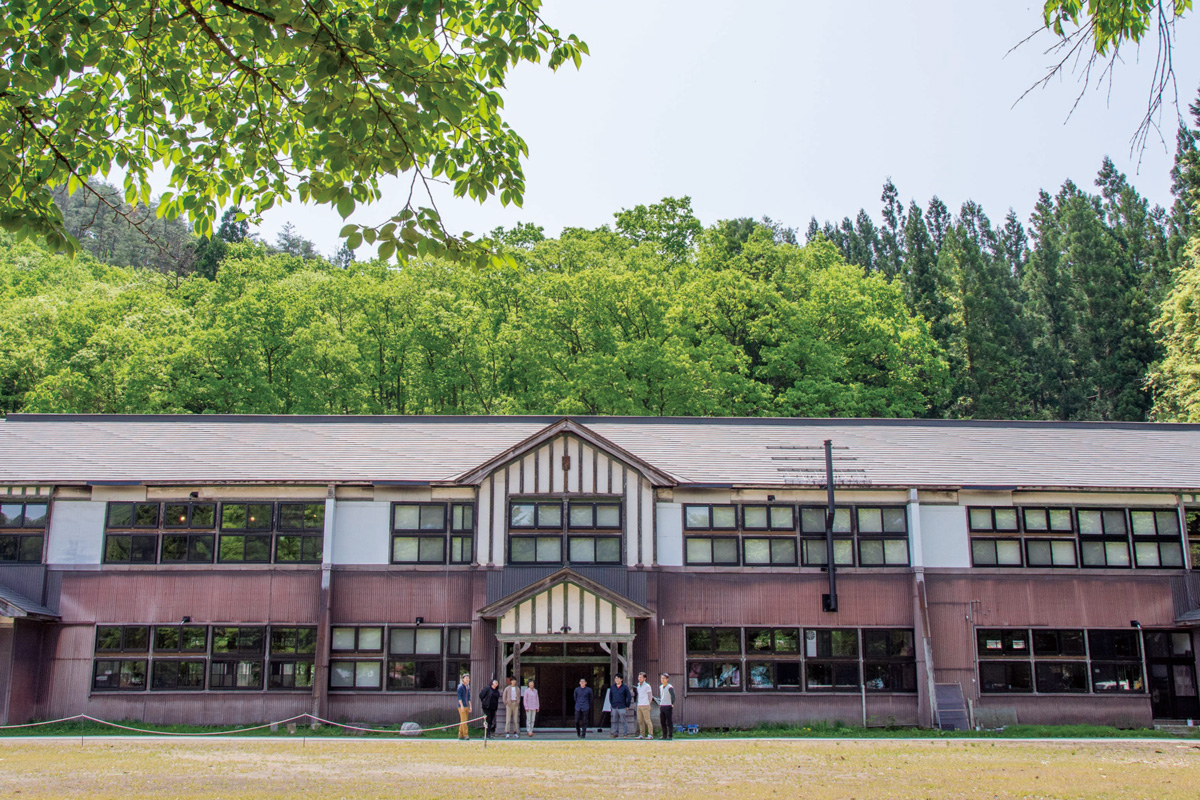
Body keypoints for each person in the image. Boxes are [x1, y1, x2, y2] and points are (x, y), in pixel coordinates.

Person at [654, 673, 676, 740]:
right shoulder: (660, 687)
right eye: (661, 678)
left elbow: (673, 696)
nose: (662, 680)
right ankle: (664, 735)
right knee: (662, 721)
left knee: (669, 721)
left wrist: (672, 703)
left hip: (668, 705)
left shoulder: (670, 687)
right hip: (662, 705)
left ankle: (670, 735)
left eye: (664, 678)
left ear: (667, 679)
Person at [634, 672, 654, 739]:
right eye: (639, 677)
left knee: (647, 720)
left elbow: (650, 696)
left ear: (644, 678)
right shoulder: (638, 686)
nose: (639, 678)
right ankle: (642, 734)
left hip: (645, 705)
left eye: (641, 677)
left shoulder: (647, 686)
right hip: (639, 705)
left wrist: (649, 704)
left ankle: (650, 734)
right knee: (640, 720)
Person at [456, 673, 472, 740]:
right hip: (461, 706)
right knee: (464, 721)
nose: (468, 679)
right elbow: (459, 697)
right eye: (466, 678)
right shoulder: (460, 687)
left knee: (463, 720)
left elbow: (468, 698)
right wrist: (461, 705)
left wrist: (470, 706)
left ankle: (460, 734)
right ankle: (465, 735)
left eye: (468, 678)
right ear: (463, 679)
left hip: (466, 706)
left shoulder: (467, 687)